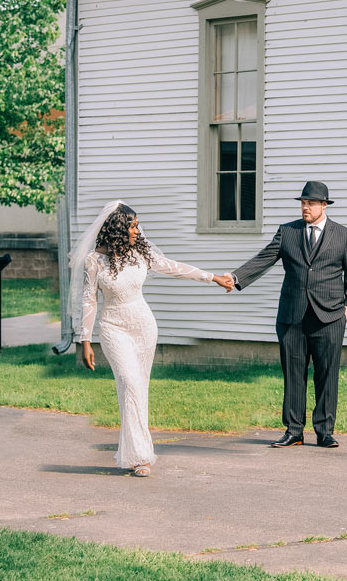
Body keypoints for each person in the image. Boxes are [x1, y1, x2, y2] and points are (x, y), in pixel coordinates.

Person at [70, 200, 233, 476]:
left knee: (138, 388)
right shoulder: (93, 261)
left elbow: (174, 267)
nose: (137, 231)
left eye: (137, 225)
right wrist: (85, 340)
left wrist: (213, 277)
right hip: (113, 327)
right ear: (118, 229)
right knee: (129, 382)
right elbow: (89, 301)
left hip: (143, 326)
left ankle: (139, 455)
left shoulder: (141, 254)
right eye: (132, 226)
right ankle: (137, 453)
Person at [220, 181, 347, 448]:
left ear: (323, 205)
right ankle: (294, 430)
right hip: (292, 316)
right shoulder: (288, 232)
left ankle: (325, 431)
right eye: (303, 203)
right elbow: (265, 258)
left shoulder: (343, 235)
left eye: (310, 203)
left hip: (330, 317)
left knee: (326, 375)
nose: (305, 207)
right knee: (293, 374)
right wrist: (236, 278)